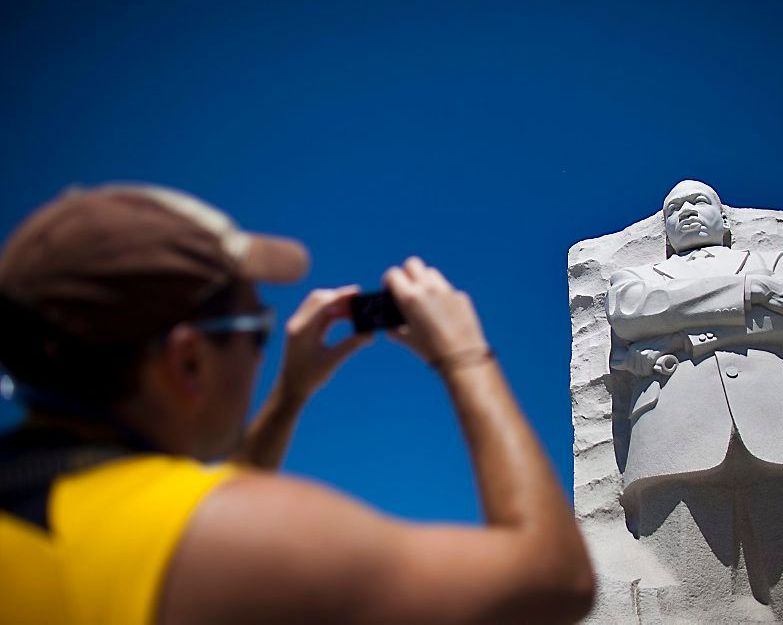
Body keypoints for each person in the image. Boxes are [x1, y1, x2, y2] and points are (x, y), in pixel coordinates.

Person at [0, 184, 595, 625]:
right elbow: (554, 582)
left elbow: (187, 512)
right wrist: (464, 354)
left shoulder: (73, 518)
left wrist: (291, 393)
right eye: (256, 329)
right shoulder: (225, 541)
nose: (262, 355)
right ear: (186, 362)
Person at [605, 179, 783, 519]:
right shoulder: (635, 277)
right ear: (665, 233)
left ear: (724, 220)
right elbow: (632, 313)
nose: (686, 211)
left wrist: (682, 340)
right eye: (673, 209)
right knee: (680, 563)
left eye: (698, 202)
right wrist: (752, 289)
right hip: (672, 427)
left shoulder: (776, 260)